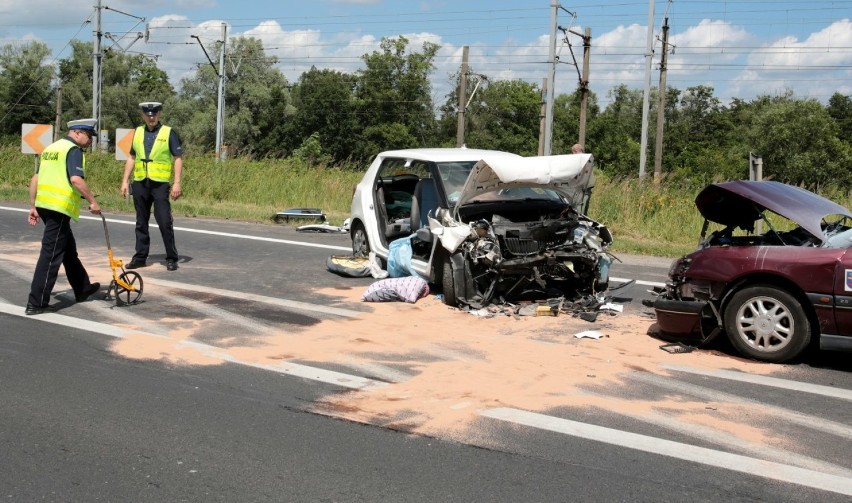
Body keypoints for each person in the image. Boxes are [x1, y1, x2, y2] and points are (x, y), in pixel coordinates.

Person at [26, 118, 102, 315]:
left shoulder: (51, 148)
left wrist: (33, 205)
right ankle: (36, 302)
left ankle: (82, 289)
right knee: (51, 255)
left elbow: (35, 178)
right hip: (58, 208)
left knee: (68, 250)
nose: (90, 141)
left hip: (44, 205)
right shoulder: (73, 150)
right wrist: (93, 201)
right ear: (77, 133)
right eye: (89, 136)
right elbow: (76, 179)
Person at [120, 101, 183, 271]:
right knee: (141, 221)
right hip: (140, 182)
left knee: (164, 220)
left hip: (160, 184)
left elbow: (177, 158)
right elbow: (132, 157)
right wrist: (125, 180)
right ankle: (140, 257)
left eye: (154, 114)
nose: (151, 117)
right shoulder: (138, 132)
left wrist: (177, 182)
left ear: (159, 114)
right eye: (148, 115)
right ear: (143, 116)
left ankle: (171, 257)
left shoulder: (168, 132)